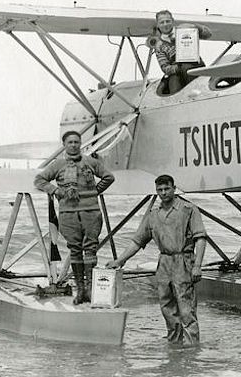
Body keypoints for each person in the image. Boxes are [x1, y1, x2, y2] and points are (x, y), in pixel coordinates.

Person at [107, 174, 208, 346]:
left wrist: (197, 265)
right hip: (164, 263)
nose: (163, 193)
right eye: (159, 190)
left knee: (186, 308)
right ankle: (175, 346)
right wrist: (120, 260)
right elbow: (137, 241)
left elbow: (201, 238)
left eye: (167, 189)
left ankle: (192, 349)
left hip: (183, 260)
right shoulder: (153, 215)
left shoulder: (188, 209)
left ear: (174, 189)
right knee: (167, 307)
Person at [34, 130, 115, 304]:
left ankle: (90, 290)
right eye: (70, 142)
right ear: (64, 145)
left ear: (80, 144)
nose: (73, 145)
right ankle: (80, 290)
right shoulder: (57, 164)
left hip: (91, 211)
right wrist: (55, 190)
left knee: (90, 249)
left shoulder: (91, 162)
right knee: (75, 250)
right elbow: (39, 180)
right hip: (68, 213)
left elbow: (109, 177)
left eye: (76, 142)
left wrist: (95, 191)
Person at [151, 10, 212, 95]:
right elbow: (164, 67)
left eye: (168, 21)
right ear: (157, 24)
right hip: (177, 72)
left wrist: (196, 27)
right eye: (162, 22)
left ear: (172, 21)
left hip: (194, 65)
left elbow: (208, 34)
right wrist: (179, 68)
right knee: (174, 88)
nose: (165, 24)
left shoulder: (184, 30)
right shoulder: (159, 45)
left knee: (199, 88)